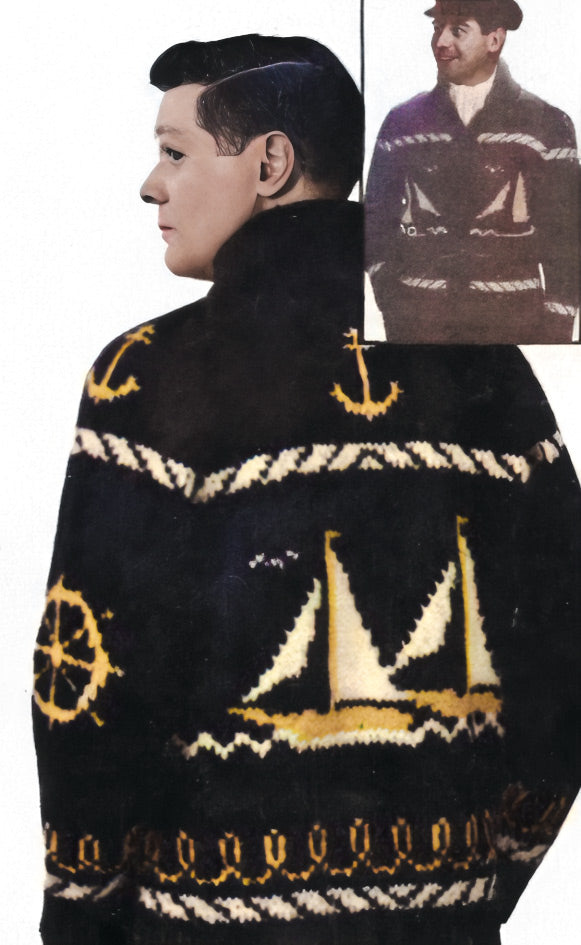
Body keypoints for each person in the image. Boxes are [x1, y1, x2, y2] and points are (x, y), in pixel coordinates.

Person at [33, 33, 581, 945]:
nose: (151, 185)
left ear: (270, 163)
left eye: (175, 152)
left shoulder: (147, 377)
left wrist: (80, 918)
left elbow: (87, 699)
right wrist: (481, 878)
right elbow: (566, 653)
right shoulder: (485, 366)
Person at [365, 0, 580, 343]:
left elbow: (567, 243)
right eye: (437, 28)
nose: (440, 42)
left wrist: (553, 337)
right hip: (419, 333)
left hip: (513, 334)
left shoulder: (548, 125)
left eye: (458, 30)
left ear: (494, 39)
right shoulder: (401, 123)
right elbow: (374, 225)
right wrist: (394, 305)